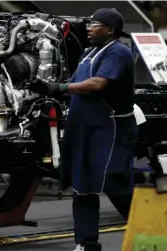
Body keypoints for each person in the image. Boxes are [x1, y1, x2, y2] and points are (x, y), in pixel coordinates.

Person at [29, 8, 136, 251]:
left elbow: (97, 84)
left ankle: (152, 227)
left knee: (113, 182)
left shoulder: (118, 52)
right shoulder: (89, 53)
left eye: (94, 24)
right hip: (84, 127)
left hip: (110, 128)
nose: (88, 28)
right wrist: (45, 90)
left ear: (110, 30)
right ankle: (86, 243)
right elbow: (75, 83)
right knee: (83, 185)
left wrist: (59, 87)